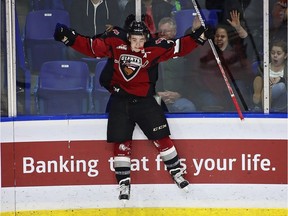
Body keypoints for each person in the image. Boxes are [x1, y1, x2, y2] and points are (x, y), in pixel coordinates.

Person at [54, 15, 212, 202]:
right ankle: (123, 181)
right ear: (128, 38)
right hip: (120, 100)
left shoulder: (155, 47)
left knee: (161, 137)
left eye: (141, 40)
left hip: (145, 101)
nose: (138, 44)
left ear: (147, 38)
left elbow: (178, 48)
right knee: (121, 142)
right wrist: (69, 38)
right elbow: (91, 46)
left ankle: (176, 171)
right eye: (134, 40)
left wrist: (198, 37)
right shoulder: (115, 42)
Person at [156, 17, 196, 112]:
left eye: (166, 31)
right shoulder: (151, 51)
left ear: (174, 32)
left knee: (188, 107)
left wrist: (179, 94)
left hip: (178, 98)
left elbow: (190, 79)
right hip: (155, 97)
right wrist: (157, 94)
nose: (162, 34)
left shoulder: (183, 51)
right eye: (160, 31)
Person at [252, 40, 287, 111]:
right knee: (258, 79)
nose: (275, 55)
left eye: (279, 53)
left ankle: (264, 108)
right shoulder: (263, 66)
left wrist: (280, 79)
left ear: (285, 55)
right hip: (263, 92)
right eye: (272, 53)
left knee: (281, 86)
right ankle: (258, 102)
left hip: (282, 100)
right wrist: (266, 80)